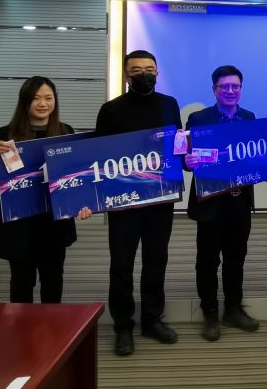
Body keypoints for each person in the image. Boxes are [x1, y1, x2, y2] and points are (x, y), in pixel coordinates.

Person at [95, 50, 182, 356]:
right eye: (136, 70)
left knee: (156, 260)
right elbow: (99, 156)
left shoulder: (169, 104)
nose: (144, 74)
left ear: (157, 72)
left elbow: (178, 145)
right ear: (126, 75)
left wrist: (188, 155)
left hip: (161, 199)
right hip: (124, 201)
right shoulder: (111, 110)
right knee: (121, 264)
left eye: (149, 69)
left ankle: (152, 319)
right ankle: (123, 325)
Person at [0, 76, 91, 303]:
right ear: (25, 101)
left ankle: (53, 326)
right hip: (20, 225)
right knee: (21, 283)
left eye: (49, 98)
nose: (43, 103)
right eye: (36, 98)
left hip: (54, 222)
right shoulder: (4, 135)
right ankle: (21, 326)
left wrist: (82, 203)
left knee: (53, 281)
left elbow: (77, 176)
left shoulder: (66, 132)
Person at [184, 65, 260, 342]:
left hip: (239, 202)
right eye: (224, 86)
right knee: (207, 260)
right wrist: (188, 160)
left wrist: (265, 166)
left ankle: (233, 309)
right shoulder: (198, 119)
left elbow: (255, 157)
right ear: (214, 89)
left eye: (235, 86)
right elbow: (185, 159)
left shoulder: (249, 118)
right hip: (210, 202)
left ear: (241, 89)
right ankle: (210, 312)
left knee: (236, 257)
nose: (230, 91)